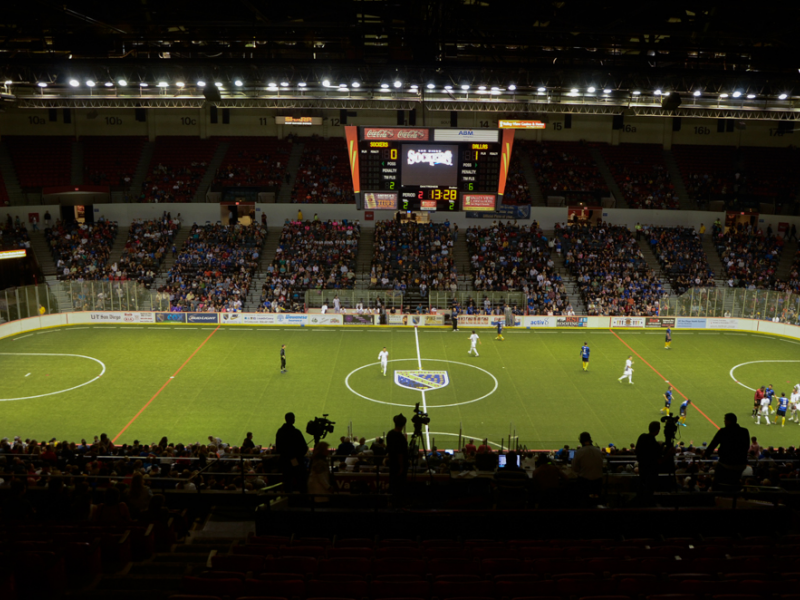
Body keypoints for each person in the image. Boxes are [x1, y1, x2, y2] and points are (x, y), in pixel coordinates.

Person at [704, 413, 750, 490]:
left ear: (728, 421)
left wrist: (706, 454)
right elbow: (746, 446)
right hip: (741, 464)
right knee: (734, 482)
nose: (724, 422)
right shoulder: (744, 431)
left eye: (725, 420)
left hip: (726, 463)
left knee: (717, 482)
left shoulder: (723, 431)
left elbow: (713, 444)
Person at [275, 412, 309, 493]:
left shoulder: (280, 432)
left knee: (287, 481)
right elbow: (304, 448)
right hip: (296, 461)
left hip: (285, 461)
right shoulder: (296, 432)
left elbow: (278, 448)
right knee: (301, 480)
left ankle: (288, 500)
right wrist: (297, 456)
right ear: (293, 419)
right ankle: (303, 500)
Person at [571, 431, 604, 504]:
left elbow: (574, 468)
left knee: (583, 501)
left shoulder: (579, 452)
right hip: (598, 481)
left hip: (584, 481)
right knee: (596, 501)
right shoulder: (598, 451)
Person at [635, 421, 662, 503]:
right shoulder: (655, 445)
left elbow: (637, 451)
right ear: (657, 431)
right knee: (649, 490)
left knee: (642, 487)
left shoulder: (642, 437)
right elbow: (659, 461)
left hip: (642, 468)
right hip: (651, 472)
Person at [387, 414, 409, 501]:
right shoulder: (400, 438)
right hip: (398, 466)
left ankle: (392, 501)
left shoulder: (390, 434)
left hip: (392, 463)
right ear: (403, 425)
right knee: (399, 486)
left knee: (392, 484)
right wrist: (401, 467)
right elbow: (400, 454)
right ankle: (399, 503)